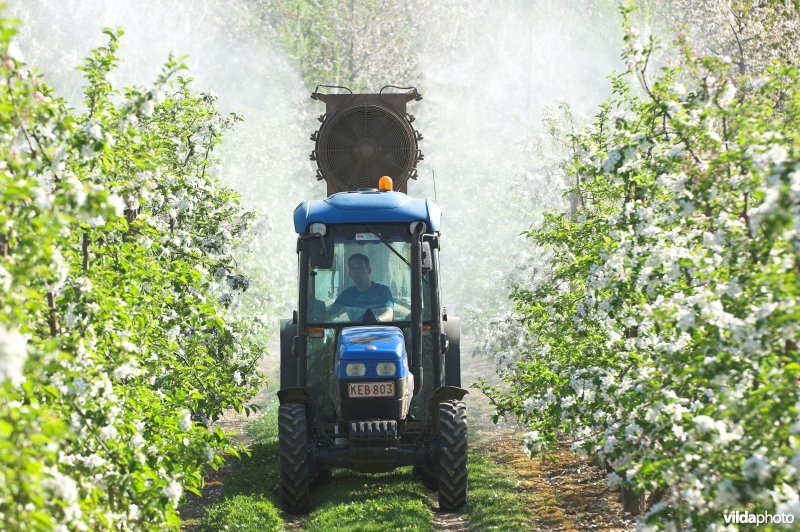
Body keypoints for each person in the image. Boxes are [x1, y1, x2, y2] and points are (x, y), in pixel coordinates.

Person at [327, 253, 394, 322]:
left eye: (360, 267)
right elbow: (328, 314)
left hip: (380, 331)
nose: (357, 271)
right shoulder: (347, 295)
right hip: (353, 331)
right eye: (353, 268)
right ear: (350, 273)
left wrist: (375, 321)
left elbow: (388, 315)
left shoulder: (382, 290)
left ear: (369, 270)